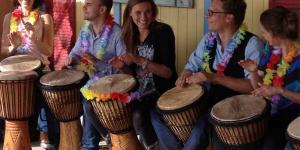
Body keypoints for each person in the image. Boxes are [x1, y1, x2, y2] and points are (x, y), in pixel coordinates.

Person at [150, 0, 264, 149]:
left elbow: (253, 88)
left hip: (234, 108)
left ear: (229, 17)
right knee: (158, 114)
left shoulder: (252, 44)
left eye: (212, 12)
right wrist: (184, 75)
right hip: (206, 100)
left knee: (198, 130)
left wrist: (214, 78)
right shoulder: (208, 39)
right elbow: (191, 65)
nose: (206, 15)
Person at [65, 0, 127, 149]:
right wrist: (71, 59)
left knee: (88, 101)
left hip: (114, 85)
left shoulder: (117, 33)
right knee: (74, 93)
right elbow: (75, 53)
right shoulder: (85, 30)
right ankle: (91, 142)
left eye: (89, 4)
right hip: (92, 81)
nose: (84, 7)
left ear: (102, 9)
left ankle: (93, 142)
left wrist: (96, 62)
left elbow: (124, 70)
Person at [117, 0, 177, 149]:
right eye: (138, 12)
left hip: (161, 91)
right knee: (114, 110)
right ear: (130, 13)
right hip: (138, 92)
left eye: (147, 12)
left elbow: (167, 73)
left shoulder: (163, 31)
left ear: (153, 12)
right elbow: (131, 74)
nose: (143, 17)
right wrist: (122, 67)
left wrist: (140, 60)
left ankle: (152, 145)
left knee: (139, 115)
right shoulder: (128, 34)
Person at [239, 6, 300, 150]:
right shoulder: (270, 53)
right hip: (271, 117)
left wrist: (279, 91)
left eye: (264, 32)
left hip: (296, 121)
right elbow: (258, 88)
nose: (262, 35)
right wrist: (253, 72)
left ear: (276, 34)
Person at [1, 0, 58, 149]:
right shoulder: (9, 17)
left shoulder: (45, 18)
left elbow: (48, 50)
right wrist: (13, 46)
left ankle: (44, 134)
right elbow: (3, 51)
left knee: (41, 82)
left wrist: (32, 37)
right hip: (15, 65)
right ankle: (7, 132)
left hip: (38, 63)